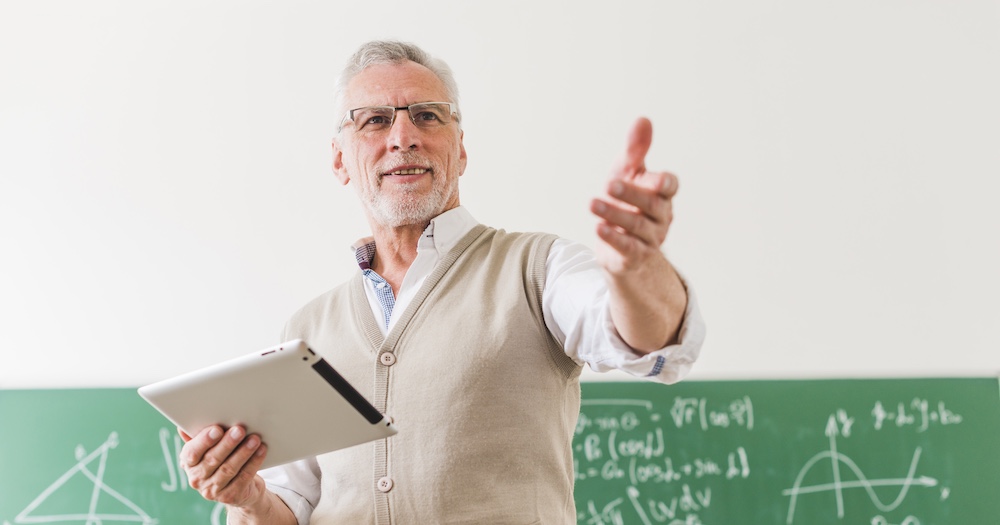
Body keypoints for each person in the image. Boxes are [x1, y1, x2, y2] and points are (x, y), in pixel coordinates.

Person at [177, 39, 705, 524]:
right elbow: (292, 506)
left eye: (427, 116)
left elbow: (644, 340)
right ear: (340, 160)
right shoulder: (306, 329)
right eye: (374, 121)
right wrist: (247, 499)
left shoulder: (539, 269)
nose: (403, 137)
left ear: (461, 149)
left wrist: (636, 270)